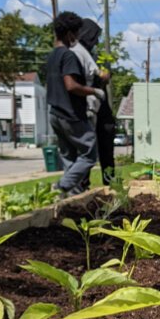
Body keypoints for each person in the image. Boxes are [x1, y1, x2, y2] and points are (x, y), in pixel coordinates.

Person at [46, 11, 105, 196]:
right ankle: (62, 186)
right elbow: (71, 86)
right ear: (70, 33)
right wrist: (95, 91)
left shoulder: (52, 56)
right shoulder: (68, 55)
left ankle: (71, 198)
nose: (78, 38)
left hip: (54, 113)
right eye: (77, 33)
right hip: (70, 114)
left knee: (69, 157)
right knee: (89, 153)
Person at [71, 18, 116, 186]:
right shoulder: (75, 55)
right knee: (86, 150)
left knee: (106, 145)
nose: (97, 41)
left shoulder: (95, 57)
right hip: (85, 110)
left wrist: (104, 77)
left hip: (101, 110)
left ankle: (110, 183)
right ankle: (82, 187)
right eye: (94, 37)